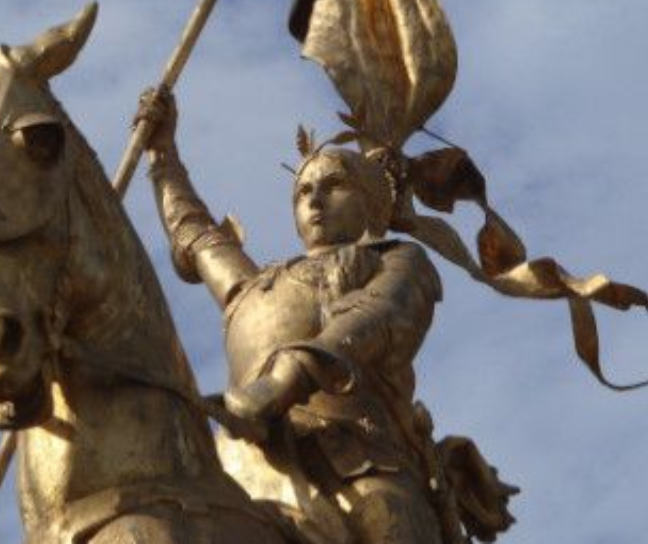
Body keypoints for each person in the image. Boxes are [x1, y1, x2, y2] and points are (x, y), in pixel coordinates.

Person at [138, 89, 448, 544]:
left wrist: (284, 381)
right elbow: (196, 234)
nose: (315, 200)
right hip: (246, 458)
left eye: (334, 185)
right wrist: (162, 157)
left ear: (371, 202)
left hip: (356, 458)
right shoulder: (254, 287)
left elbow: (380, 316)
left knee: (389, 522)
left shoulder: (397, 259)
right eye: (303, 191)